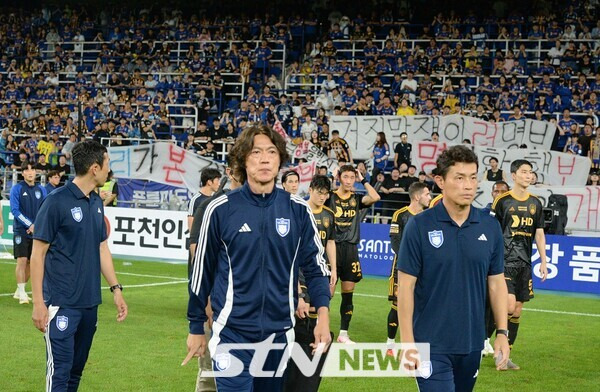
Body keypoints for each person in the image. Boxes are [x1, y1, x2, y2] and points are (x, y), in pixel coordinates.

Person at [183, 125, 332, 391]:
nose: (264, 159)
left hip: (279, 336)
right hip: (232, 334)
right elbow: (201, 272)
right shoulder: (220, 210)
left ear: (280, 160)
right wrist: (196, 327)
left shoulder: (298, 210)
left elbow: (316, 267)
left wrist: (323, 315)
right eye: (256, 152)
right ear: (243, 160)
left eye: (271, 152)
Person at [397, 145, 510, 391]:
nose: (468, 185)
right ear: (440, 181)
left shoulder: (489, 227)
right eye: (459, 178)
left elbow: (496, 283)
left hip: (472, 344)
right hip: (430, 344)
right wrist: (407, 342)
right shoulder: (419, 226)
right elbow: (405, 287)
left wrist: (502, 332)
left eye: (472, 177)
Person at [30, 140, 128, 391]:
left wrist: (116, 289)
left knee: (75, 373)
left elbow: (101, 247)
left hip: (89, 303)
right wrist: (39, 303)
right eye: (107, 164)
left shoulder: (95, 202)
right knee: (60, 374)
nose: (109, 170)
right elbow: (38, 254)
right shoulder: (56, 202)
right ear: (95, 168)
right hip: (61, 304)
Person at [491, 159, 548, 370]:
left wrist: (543, 260)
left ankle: (507, 354)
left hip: (525, 263)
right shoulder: (502, 201)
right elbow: (492, 231)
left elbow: (539, 234)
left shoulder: (536, 203)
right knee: (507, 305)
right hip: (504, 262)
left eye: (530, 172)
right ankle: (494, 350)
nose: (528, 175)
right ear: (513, 175)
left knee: (516, 311)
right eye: (524, 172)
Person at [283, 174, 337, 392]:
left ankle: (308, 354)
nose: (323, 197)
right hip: (298, 274)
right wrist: (296, 287)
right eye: (320, 192)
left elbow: (330, 242)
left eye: (326, 193)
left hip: (317, 271)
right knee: (299, 314)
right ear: (311, 190)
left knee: (316, 314)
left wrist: (332, 269)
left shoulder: (328, 215)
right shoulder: (298, 210)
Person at [329, 164, 380, 343]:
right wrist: (332, 177)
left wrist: (363, 179)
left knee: (348, 292)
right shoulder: (331, 196)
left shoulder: (356, 198)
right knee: (328, 291)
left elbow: (375, 196)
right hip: (332, 247)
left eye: (352, 177)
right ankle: (320, 327)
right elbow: (319, 194)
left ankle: (343, 334)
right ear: (340, 177)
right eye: (346, 177)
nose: (349, 181)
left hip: (350, 249)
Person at [386, 182, 431, 356]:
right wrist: (410, 260)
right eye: (427, 194)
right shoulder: (400, 214)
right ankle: (390, 344)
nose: (430, 197)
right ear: (417, 196)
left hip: (424, 269)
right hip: (402, 267)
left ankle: (417, 343)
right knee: (398, 304)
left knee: (421, 304)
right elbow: (395, 241)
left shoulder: (428, 216)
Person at [10, 161, 47, 304]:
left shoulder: (41, 190)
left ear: (36, 172)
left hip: (36, 231)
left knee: (32, 262)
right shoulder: (16, 189)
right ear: (23, 172)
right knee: (22, 260)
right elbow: (15, 210)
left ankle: (20, 290)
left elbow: (45, 210)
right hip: (21, 230)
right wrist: (29, 224)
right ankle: (22, 292)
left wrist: (36, 225)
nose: (30, 172)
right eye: (27, 170)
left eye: (32, 169)